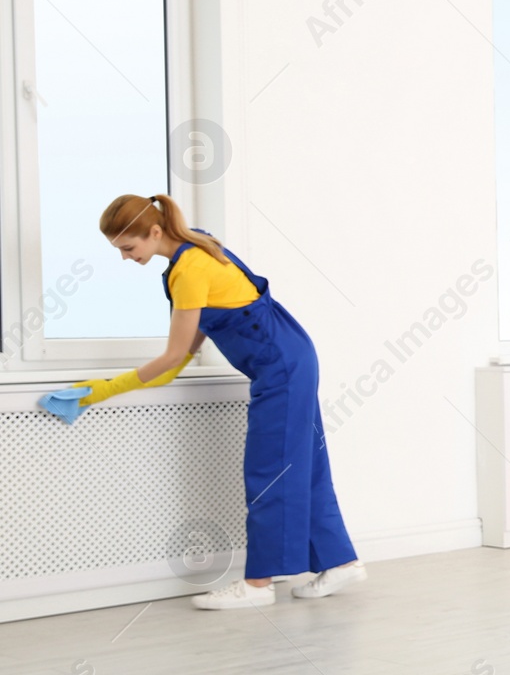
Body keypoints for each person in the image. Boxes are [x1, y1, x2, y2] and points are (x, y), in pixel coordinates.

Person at [85, 194, 366, 609]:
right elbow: (178, 360)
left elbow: (170, 359)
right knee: (302, 466)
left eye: (128, 248)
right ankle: (340, 563)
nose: (126, 258)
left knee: (268, 471)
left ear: (155, 232)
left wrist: (102, 389)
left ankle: (256, 587)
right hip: (292, 356)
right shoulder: (196, 246)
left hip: (281, 369)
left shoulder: (189, 271)